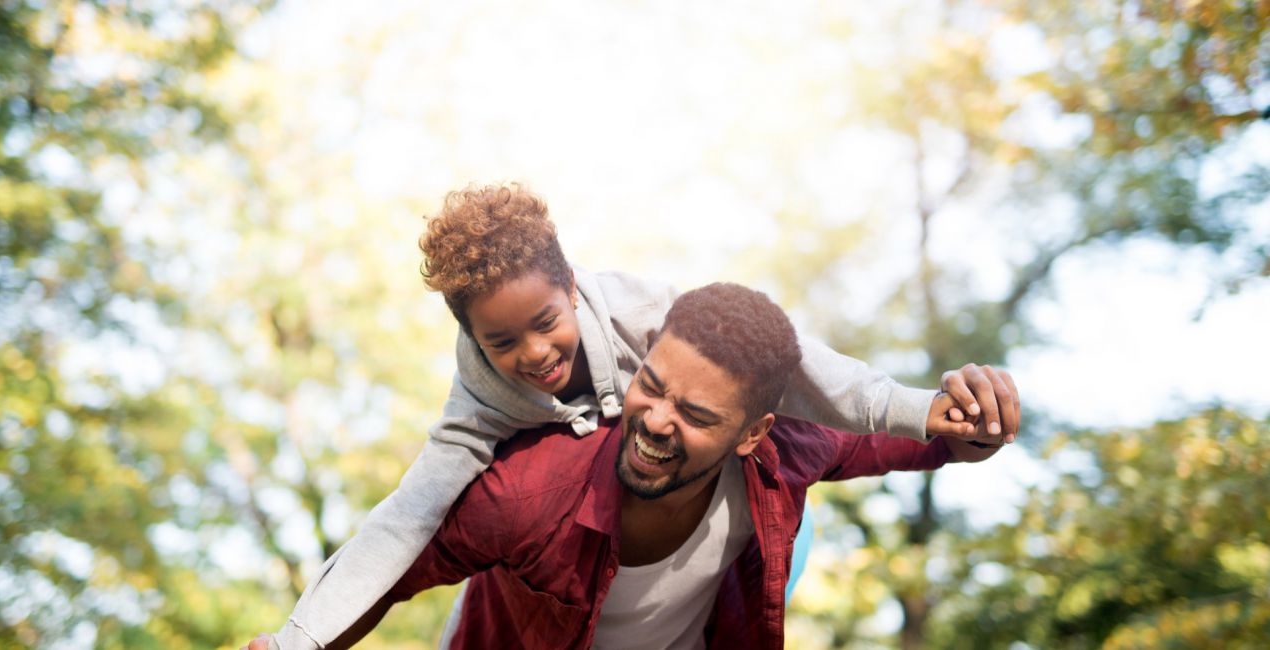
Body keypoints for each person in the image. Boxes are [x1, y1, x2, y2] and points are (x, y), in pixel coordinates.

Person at [259, 184, 1019, 648]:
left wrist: (944, 419)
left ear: (572, 287)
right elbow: (401, 538)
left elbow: (816, 382)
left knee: (774, 464)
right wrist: (299, 640)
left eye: (545, 324)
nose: (535, 353)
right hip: (535, 571)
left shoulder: (646, 314)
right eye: (502, 342)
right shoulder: (509, 469)